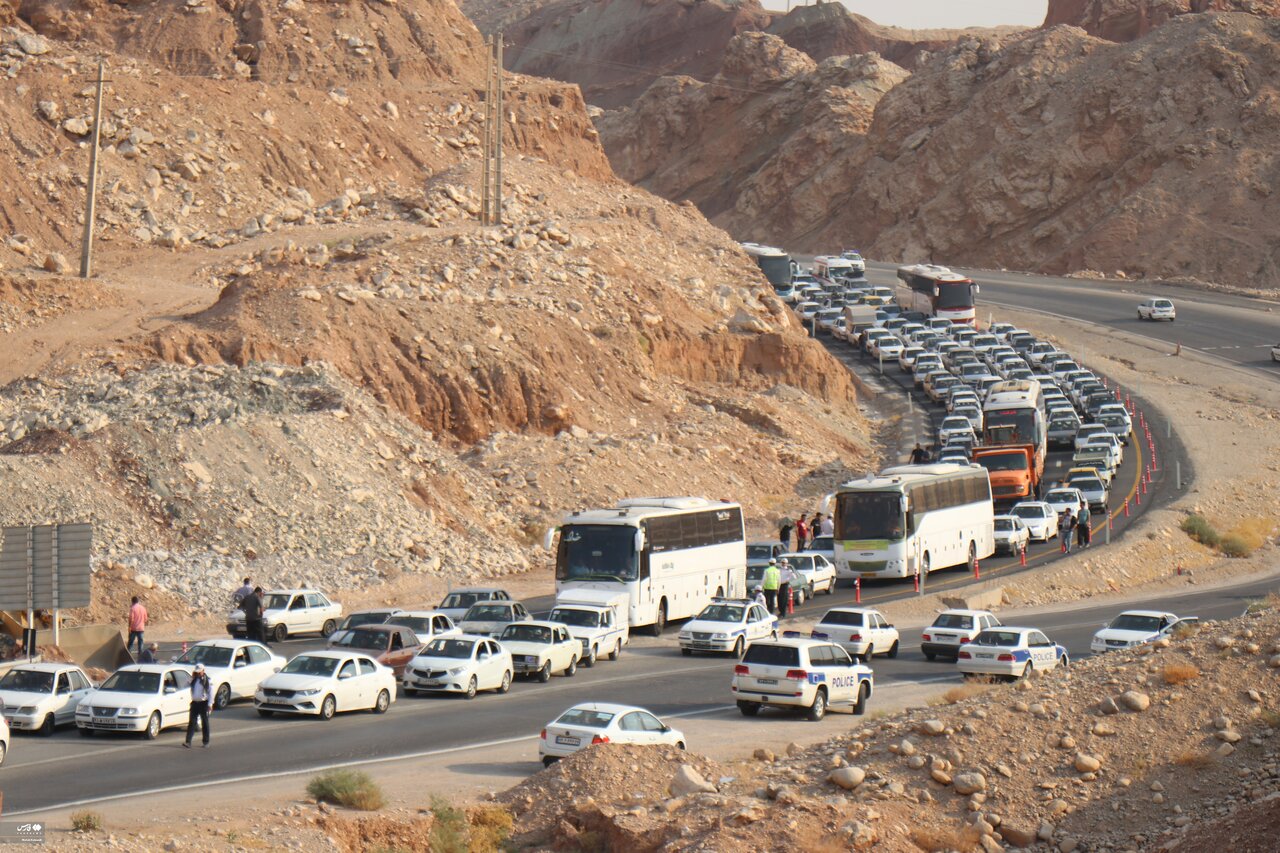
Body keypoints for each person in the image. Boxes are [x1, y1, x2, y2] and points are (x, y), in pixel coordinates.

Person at [184, 663, 212, 748]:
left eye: (199, 672)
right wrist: (191, 678)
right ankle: (188, 742)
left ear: (203, 671)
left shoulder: (208, 680)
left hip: (203, 703)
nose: (198, 673)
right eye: (197, 672)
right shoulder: (194, 680)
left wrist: (210, 704)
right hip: (195, 703)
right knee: (192, 722)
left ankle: (206, 741)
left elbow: (211, 693)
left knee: (205, 722)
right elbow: (185, 685)